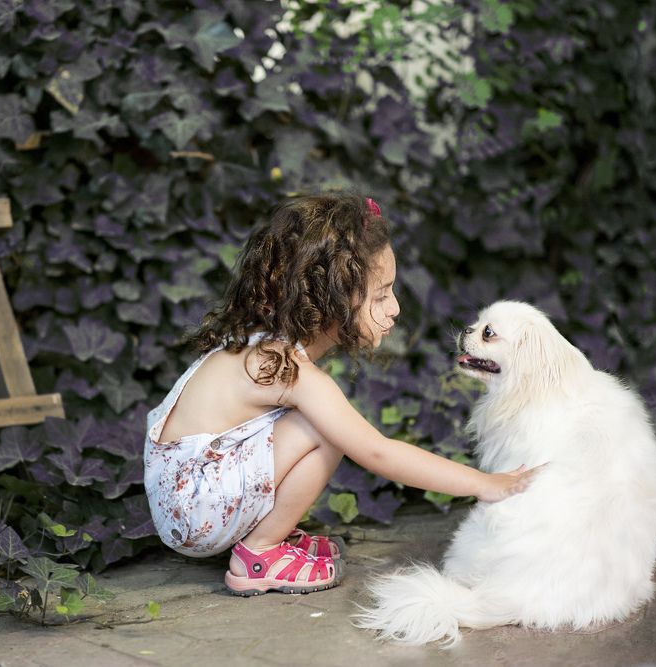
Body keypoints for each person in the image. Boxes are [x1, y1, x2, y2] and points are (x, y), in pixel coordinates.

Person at [143, 192, 541, 596]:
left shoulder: (267, 348)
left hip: (188, 496)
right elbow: (377, 452)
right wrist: (485, 483)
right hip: (194, 508)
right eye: (381, 295)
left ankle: (265, 536)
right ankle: (259, 554)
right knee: (325, 429)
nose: (396, 308)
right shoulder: (284, 367)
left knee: (319, 422)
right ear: (331, 299)